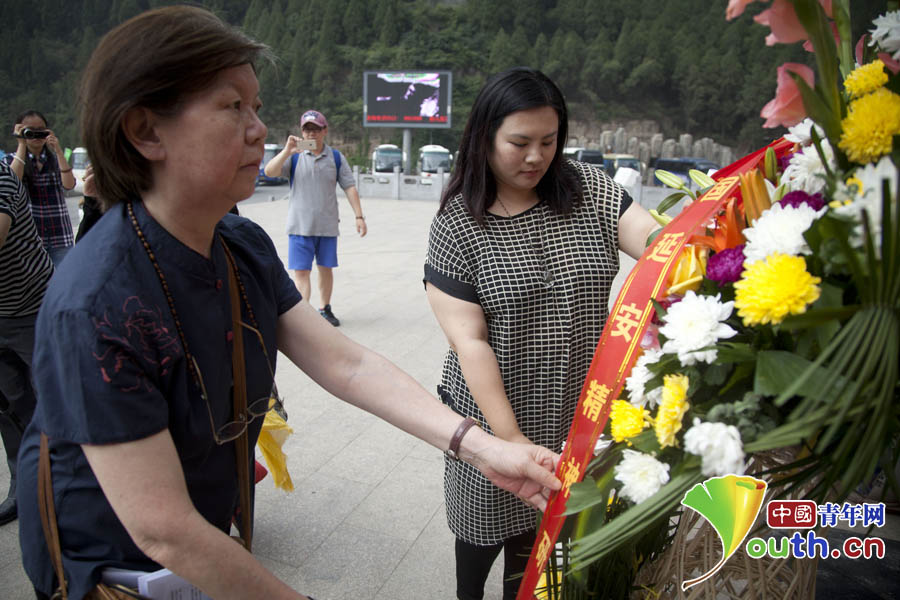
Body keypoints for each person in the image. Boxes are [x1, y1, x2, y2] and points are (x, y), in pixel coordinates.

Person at [15, 8, 561, 600]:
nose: (258, 129)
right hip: (114, 571)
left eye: (255, 106)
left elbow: (345, 364)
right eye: (232, 107)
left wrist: (480, 448)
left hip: (202, 540)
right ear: (145, 131)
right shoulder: (96, 301)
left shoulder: (238, 244)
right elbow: (163, 529)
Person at [423, 67, 661, 600]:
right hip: (492, 412)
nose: (536, 156)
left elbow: (658, 246)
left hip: (573, 405)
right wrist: (508, 441)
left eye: (548, 141)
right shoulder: (459, 222)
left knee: (540, 545)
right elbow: (470, 342)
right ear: (484, 137)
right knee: (480, 534)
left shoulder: (588, 191)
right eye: (519, 142)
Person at [263, 109, 365, 327]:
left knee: (325, 269)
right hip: (299, 227)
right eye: (307, 130)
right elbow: (269, 172)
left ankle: (325, 308)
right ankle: (305, 316)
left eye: (316, 129)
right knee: (301, 273)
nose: (311, 134)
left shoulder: (335, 157)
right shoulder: (295, 156)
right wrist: (286, 151)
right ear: (301, 132)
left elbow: (349, 186)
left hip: (327, 226)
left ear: (324, 131)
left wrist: (359, 216)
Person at [0, 158, 54, 527]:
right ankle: (24, 487)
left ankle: (69, 488)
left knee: (54, 400)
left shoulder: (1, 177)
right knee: (11, 407)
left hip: (32, 308)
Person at [4, 110, 76, 267]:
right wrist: (21, 143)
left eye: (40, 130)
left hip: (60, 236)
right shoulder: (11, 160)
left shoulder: (56, 160)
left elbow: (69, 185)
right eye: (30, 131)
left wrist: (57, 150)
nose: (36, 136)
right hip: (28, 240)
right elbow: (12, 182)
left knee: (63, 285)